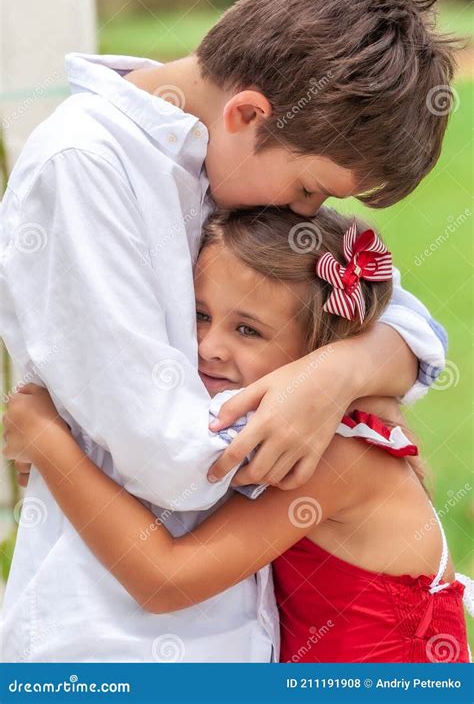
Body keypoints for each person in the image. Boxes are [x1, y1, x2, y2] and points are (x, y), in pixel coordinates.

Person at [0, 0, 453, 661]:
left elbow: (400, 320)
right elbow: (175, 460)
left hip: (240, 638)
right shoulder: (87, 169)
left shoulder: (223, 163)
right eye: (311, 190)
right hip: (111, 643)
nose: (309, 216)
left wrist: (328, 378)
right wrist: (339, 397)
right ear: (248, 113)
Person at [4, 207, 471, 663]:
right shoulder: (294, 430)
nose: (209, 347)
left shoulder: (336, 456)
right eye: (200, 315)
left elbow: (166, 581)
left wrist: (49, 443)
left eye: (248, 330)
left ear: (316, 352)